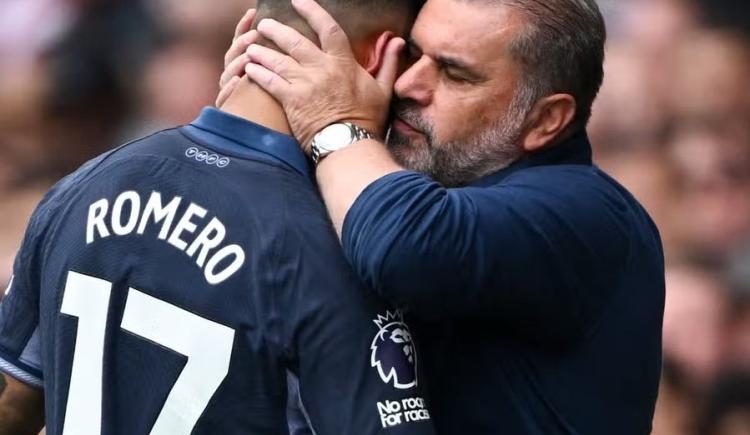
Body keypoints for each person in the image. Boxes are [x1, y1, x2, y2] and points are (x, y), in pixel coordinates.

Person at [220, 0, 666, 433]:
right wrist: (258, 110)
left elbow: (404, 245)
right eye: (412, 54)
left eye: (455, 74)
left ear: (546, 119)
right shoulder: (424, 174)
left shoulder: (589, 212)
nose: (407, 84)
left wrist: (334, 123)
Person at [0, 2, 436, 434]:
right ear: (380, 56)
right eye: (415, 59)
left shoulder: (87, 182)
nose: (419, 83)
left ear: (247, 35)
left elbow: (12, 403)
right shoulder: (333, 247)